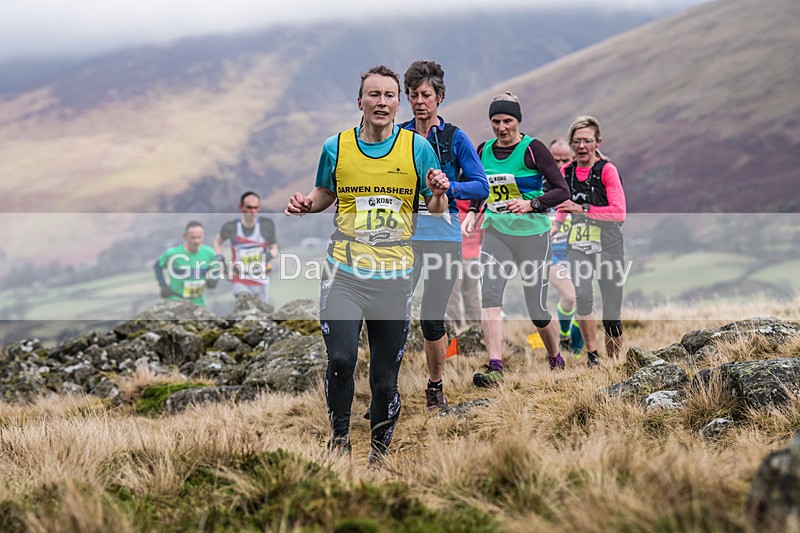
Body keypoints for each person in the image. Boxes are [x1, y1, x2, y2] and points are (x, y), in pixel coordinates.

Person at [284, 65, 450, 465]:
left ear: (398, 103)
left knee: (382, 378)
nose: (382, 102)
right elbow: (326, 191)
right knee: (341, 359)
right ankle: (339, 439)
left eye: (389, 96)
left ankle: (379, 454)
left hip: (394, 277)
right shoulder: (335, 146)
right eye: (373, 95)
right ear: (360, 101)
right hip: (345, 271)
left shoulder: (416, 148)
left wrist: (441, 192)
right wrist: (308, 204)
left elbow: (433, 206)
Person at [462, 92, 569, 386]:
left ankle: (556, 358)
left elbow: (562, 190)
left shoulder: (533, 149)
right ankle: (495, 367)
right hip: (497, 233)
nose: (501, 127)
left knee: (536, 308)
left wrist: (531, 204)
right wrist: (473, 212)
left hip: (533, 234)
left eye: (507, 120)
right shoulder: (483, 150)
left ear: (518, 121)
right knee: (490, 298)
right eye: (496, 121)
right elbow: (480, 188)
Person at [400, 60, 489, 411]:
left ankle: (435, 386)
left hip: (443, 238)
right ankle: (385, 387)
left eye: (425, 94)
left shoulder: (455, 138)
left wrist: (449, 187)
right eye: (413, 95)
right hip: (404, 238)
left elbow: (481, 185)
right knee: (392, 312)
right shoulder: (399, 136)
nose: (419, 101)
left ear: (439, 97)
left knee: (432, 317)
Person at [555, 115, 627, 367]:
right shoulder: (565, 172)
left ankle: (616, 362)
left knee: (611, 312)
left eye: (587, 140)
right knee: (583, 297)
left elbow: (619, 212)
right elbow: (563, 205)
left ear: (598, 142)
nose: (581, 146)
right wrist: (558, 224)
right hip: (578, 245)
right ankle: (593, 356)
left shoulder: (607, 170)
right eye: (576, 141)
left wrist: (582, 209)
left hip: (608, 245)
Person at [547, 138, 583, 356]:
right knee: (570, 296)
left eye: (565, 160)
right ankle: (564, 335)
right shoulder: (541, 186)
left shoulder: (580, 187)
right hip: (551, 256)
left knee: (583, 302)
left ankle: (577, 353)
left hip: (578, 252)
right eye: (555, 160)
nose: (560, 165)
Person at [213, 191, 278, 303]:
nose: (252, 211)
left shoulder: (266, 225)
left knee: (262, 313)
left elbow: (274, 248)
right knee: (245, 306)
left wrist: (270, 254)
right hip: (240, 279)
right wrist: (219, 256)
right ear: (241, 207)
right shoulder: (231, 227)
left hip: (261, 278)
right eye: (249, 207)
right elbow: (217, 241)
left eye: (256, 208)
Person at [153, 220, 219, 307]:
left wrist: (213, 279)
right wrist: (163, 286)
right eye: (193, 237)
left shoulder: (209, 253)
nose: (196, 241)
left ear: (203, 236)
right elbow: (157, 266)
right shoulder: (173, 254)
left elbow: (216, 268)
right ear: (185, 236)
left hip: (199, 302)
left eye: (199, 237)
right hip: (176, 301)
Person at [445, 198, 484, 331]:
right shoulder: (479, 209)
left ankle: (455, 330)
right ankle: (475, 330)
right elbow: (482, 235)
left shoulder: (451, 207)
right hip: (474, 257)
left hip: (454, 258)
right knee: (472, 296)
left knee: (452, 297)